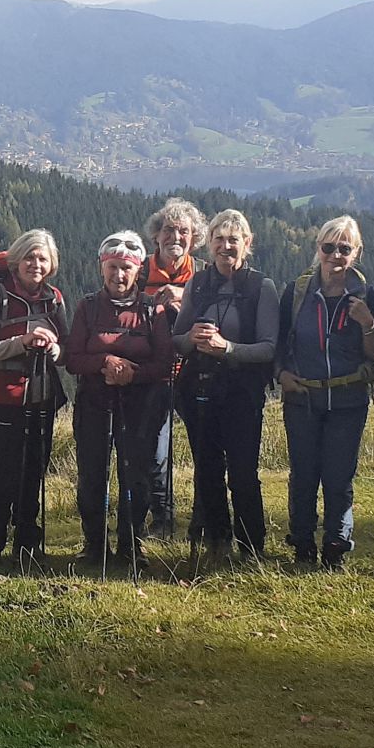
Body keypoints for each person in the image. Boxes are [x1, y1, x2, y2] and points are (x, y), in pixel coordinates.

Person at [275, 217, 374, 570]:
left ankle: (336, 547)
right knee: (303, 475)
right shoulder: (296, 292)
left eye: (344, 248)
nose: (335, 254)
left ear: (356, 252)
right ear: (318, 248)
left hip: (348, 399)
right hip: (302, 398)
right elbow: (279, 341)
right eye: (328, 247)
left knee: (339, 477)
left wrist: (368, 323)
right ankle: (302, 545)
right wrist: (280, 374)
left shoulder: (365, 295)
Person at [170, 209, 280, 561]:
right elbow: (176, 340)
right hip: (200, 390)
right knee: (207, 469)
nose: (225, 246)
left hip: (242, 393)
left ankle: (251, 548)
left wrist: (227, 348)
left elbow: (269, 347)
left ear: (247, 243)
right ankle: (217, 541)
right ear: (209, 243)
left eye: (234, 240)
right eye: (219, 239)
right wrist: (192, 337)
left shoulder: (261, 287)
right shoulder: (198, 284)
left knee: (243, 472)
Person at [64, 231, 173, 567]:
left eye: (126, 267)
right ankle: (94, 545)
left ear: (138, 270)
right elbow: (72, 359)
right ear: (102, 267)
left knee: (136, 476)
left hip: (140, 406)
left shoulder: (153, 310)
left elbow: (165, 364)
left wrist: (132, 374)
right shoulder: (88, 307)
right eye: (112, 267)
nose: (119, 274)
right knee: (92, 475)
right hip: (94, 405)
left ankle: (131, 544)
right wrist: (104, 362)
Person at [0, 228, 70, 565]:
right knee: (7, 471)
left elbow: (66, 351)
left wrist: (52, 349)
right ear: (16, 260)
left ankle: (28, 544)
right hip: (4, 396)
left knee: (35, 471)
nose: (35, 265)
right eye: (29, 257)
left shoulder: (53, 298)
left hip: (42, 396)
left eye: (42, 259)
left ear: (51, 264)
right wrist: (22, 343)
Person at [140, 197, 205, 537]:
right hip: (153, 374)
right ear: (156, 235)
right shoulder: (139, 272)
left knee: (204, 449)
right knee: (155, 451)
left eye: (183, 231)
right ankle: (162, 521)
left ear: (194, 238)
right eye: (168, 230)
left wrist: (183, 299)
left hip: (195, 374)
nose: (175, 237)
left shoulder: (205, 275)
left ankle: (202, 522)